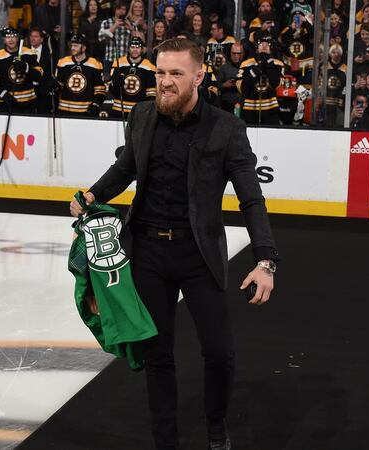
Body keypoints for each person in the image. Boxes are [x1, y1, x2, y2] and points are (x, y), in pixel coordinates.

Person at [69, 36, 278, 450]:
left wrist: (265, 259)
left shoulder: (227, 127)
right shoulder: (143, 116)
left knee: (219, 353)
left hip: (198, 255)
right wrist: (91, 196)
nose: (164, 81)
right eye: (160, 72)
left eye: (175, 74)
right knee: (157, 355)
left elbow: (251, 198)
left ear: (199, 75)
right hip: (146, 251)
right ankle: (165, 440)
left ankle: (216, 428)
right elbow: (126, 166)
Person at [0, 27, 42, 113]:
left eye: (13, 36)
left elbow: (39, 76)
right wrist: (4, 94)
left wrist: (26, 68)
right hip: (6, 103)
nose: (11, 39)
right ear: (4, 40)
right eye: (8, 37)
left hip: (28, 103)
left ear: (17, 38)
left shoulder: (29, 53)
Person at [236, 35, 284, 125]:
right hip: (250, 109)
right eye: (261, 44)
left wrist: (267, 64)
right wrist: (254, 72)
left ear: (271, 48)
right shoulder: (246, 64)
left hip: (271, 109)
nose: (264, 46)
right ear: (256, 48)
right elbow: (242, 89)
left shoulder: (277, 64)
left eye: (267, 45)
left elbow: (275, 84)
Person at [55, 33, 106, 116]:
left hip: (85, 111)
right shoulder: (63, 62)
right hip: (64, 109)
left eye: (76, 46)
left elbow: (100, 90)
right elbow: (59, 86)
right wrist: (55, 85)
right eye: (72, 45)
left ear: (84, 48)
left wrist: (95, 105)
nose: (72, 48)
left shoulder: (95, 64)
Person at [108, 36, 156, 118]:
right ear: (128, 49)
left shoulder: (150, 67)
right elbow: (111, 90)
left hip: (138, 112)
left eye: (137, 47)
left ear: (142, 49)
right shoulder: (119, 63)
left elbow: (151, 95)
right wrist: (115, 84)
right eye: (132, 47)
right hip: (119, 109)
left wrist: (144, 110)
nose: (135, 50)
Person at [98, 0, 132, 76]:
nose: (121, 11)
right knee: (108, 84)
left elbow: (139, 40)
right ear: (115, 10)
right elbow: (100, 37)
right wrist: (114, 26)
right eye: (119, 9)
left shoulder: (129, 24)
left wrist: (130, 28)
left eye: (123, 9)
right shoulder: (106, 22)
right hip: (109, 60)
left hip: (125, 61)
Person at [217, 41, 243, 113]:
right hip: (227, 106)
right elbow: (216, 86)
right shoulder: (223, 68)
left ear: (243, 53)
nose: (236, 56)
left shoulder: (247, 66)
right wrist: (224, 85)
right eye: (234, 53)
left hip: (245, 106)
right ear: (230, 53)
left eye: (239, 53)